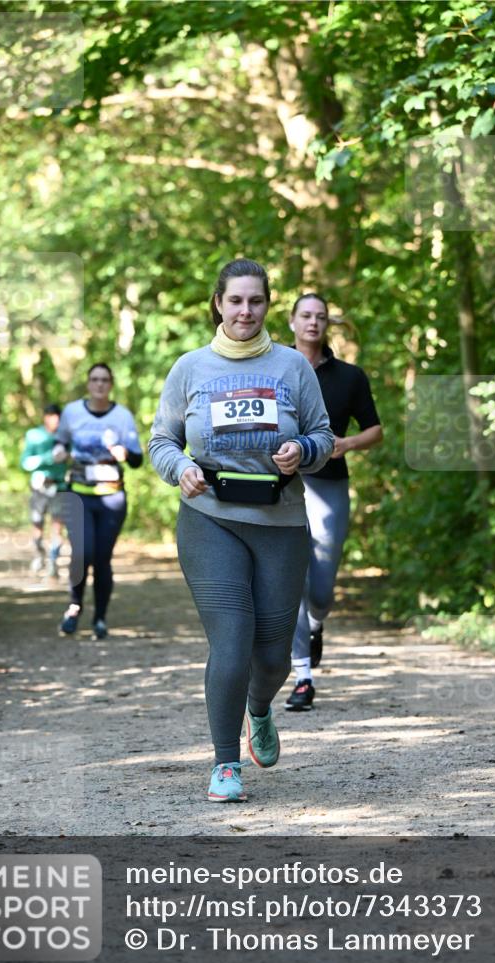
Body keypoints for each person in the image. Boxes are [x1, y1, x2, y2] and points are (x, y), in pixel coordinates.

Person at [149, 258, 333, 803]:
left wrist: (302, 450)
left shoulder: (292, 368)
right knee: (231, 641)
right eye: (235, 301)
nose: (245, 311)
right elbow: (161, 440)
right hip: (210, 519)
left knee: (273, 655)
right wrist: (178, 468)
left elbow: (324, 438)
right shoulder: (190, 368)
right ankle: (225, 763)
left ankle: (259, 707)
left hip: (281, 522)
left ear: (267, 305)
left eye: (255, 301)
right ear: (218, 304)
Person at [285, 293, 382, 711]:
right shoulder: (274, 368)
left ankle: (317, 621)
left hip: (328, 486)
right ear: (291, 322)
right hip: (282, 487)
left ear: (328, 325)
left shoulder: (349, 376)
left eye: (320, 317)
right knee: (290, 581)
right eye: (305, 316)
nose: (312, 323)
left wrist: (347, 443)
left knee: (321, 589)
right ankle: (302, 677)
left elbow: (375, 430)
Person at [53, 363, 143, 639]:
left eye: (105, 380)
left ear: (111, 384)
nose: (100, 384)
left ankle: (100, 619)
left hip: (112, 497)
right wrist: (58, 451)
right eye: (95, 379)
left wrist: (124, 454)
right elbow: (60, 442)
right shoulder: (72, 412)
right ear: (88, 384)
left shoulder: (123, 416)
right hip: (78, 494)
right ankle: (74, 606)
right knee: (82, 554)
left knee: (102, 559)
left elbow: (138, 460)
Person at [20, 404, 68, 577]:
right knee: (37, 524)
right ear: (45, 417)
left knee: (57, 527)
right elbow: (25, 463)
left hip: (60, 487)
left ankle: (53, 561)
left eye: (57, 416)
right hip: (39, 488)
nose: (54, 420)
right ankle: (39, 554)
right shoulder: (34, 435)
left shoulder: (65, 437)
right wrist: (48, 458)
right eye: (51, 416)